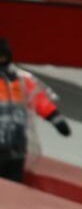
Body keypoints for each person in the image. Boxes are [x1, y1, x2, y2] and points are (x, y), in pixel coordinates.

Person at [0, 38, 72, 182]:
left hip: (17, 140)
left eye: (2, 57)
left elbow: (39, 100)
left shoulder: (21, 79)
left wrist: (56, 119)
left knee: (13, 179)